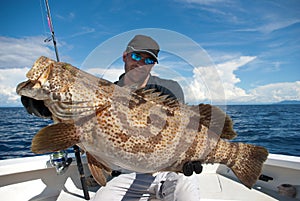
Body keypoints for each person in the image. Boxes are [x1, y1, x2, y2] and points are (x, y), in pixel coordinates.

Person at [91, 35, 201, 201]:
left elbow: (182, 130)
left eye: (148, 61)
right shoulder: (107, 94)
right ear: (124, 56)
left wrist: (190, 155)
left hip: (169, 170)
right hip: (128, 172)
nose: (140, 64)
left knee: (187, 191)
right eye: (136, 56)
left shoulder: (170, 88)